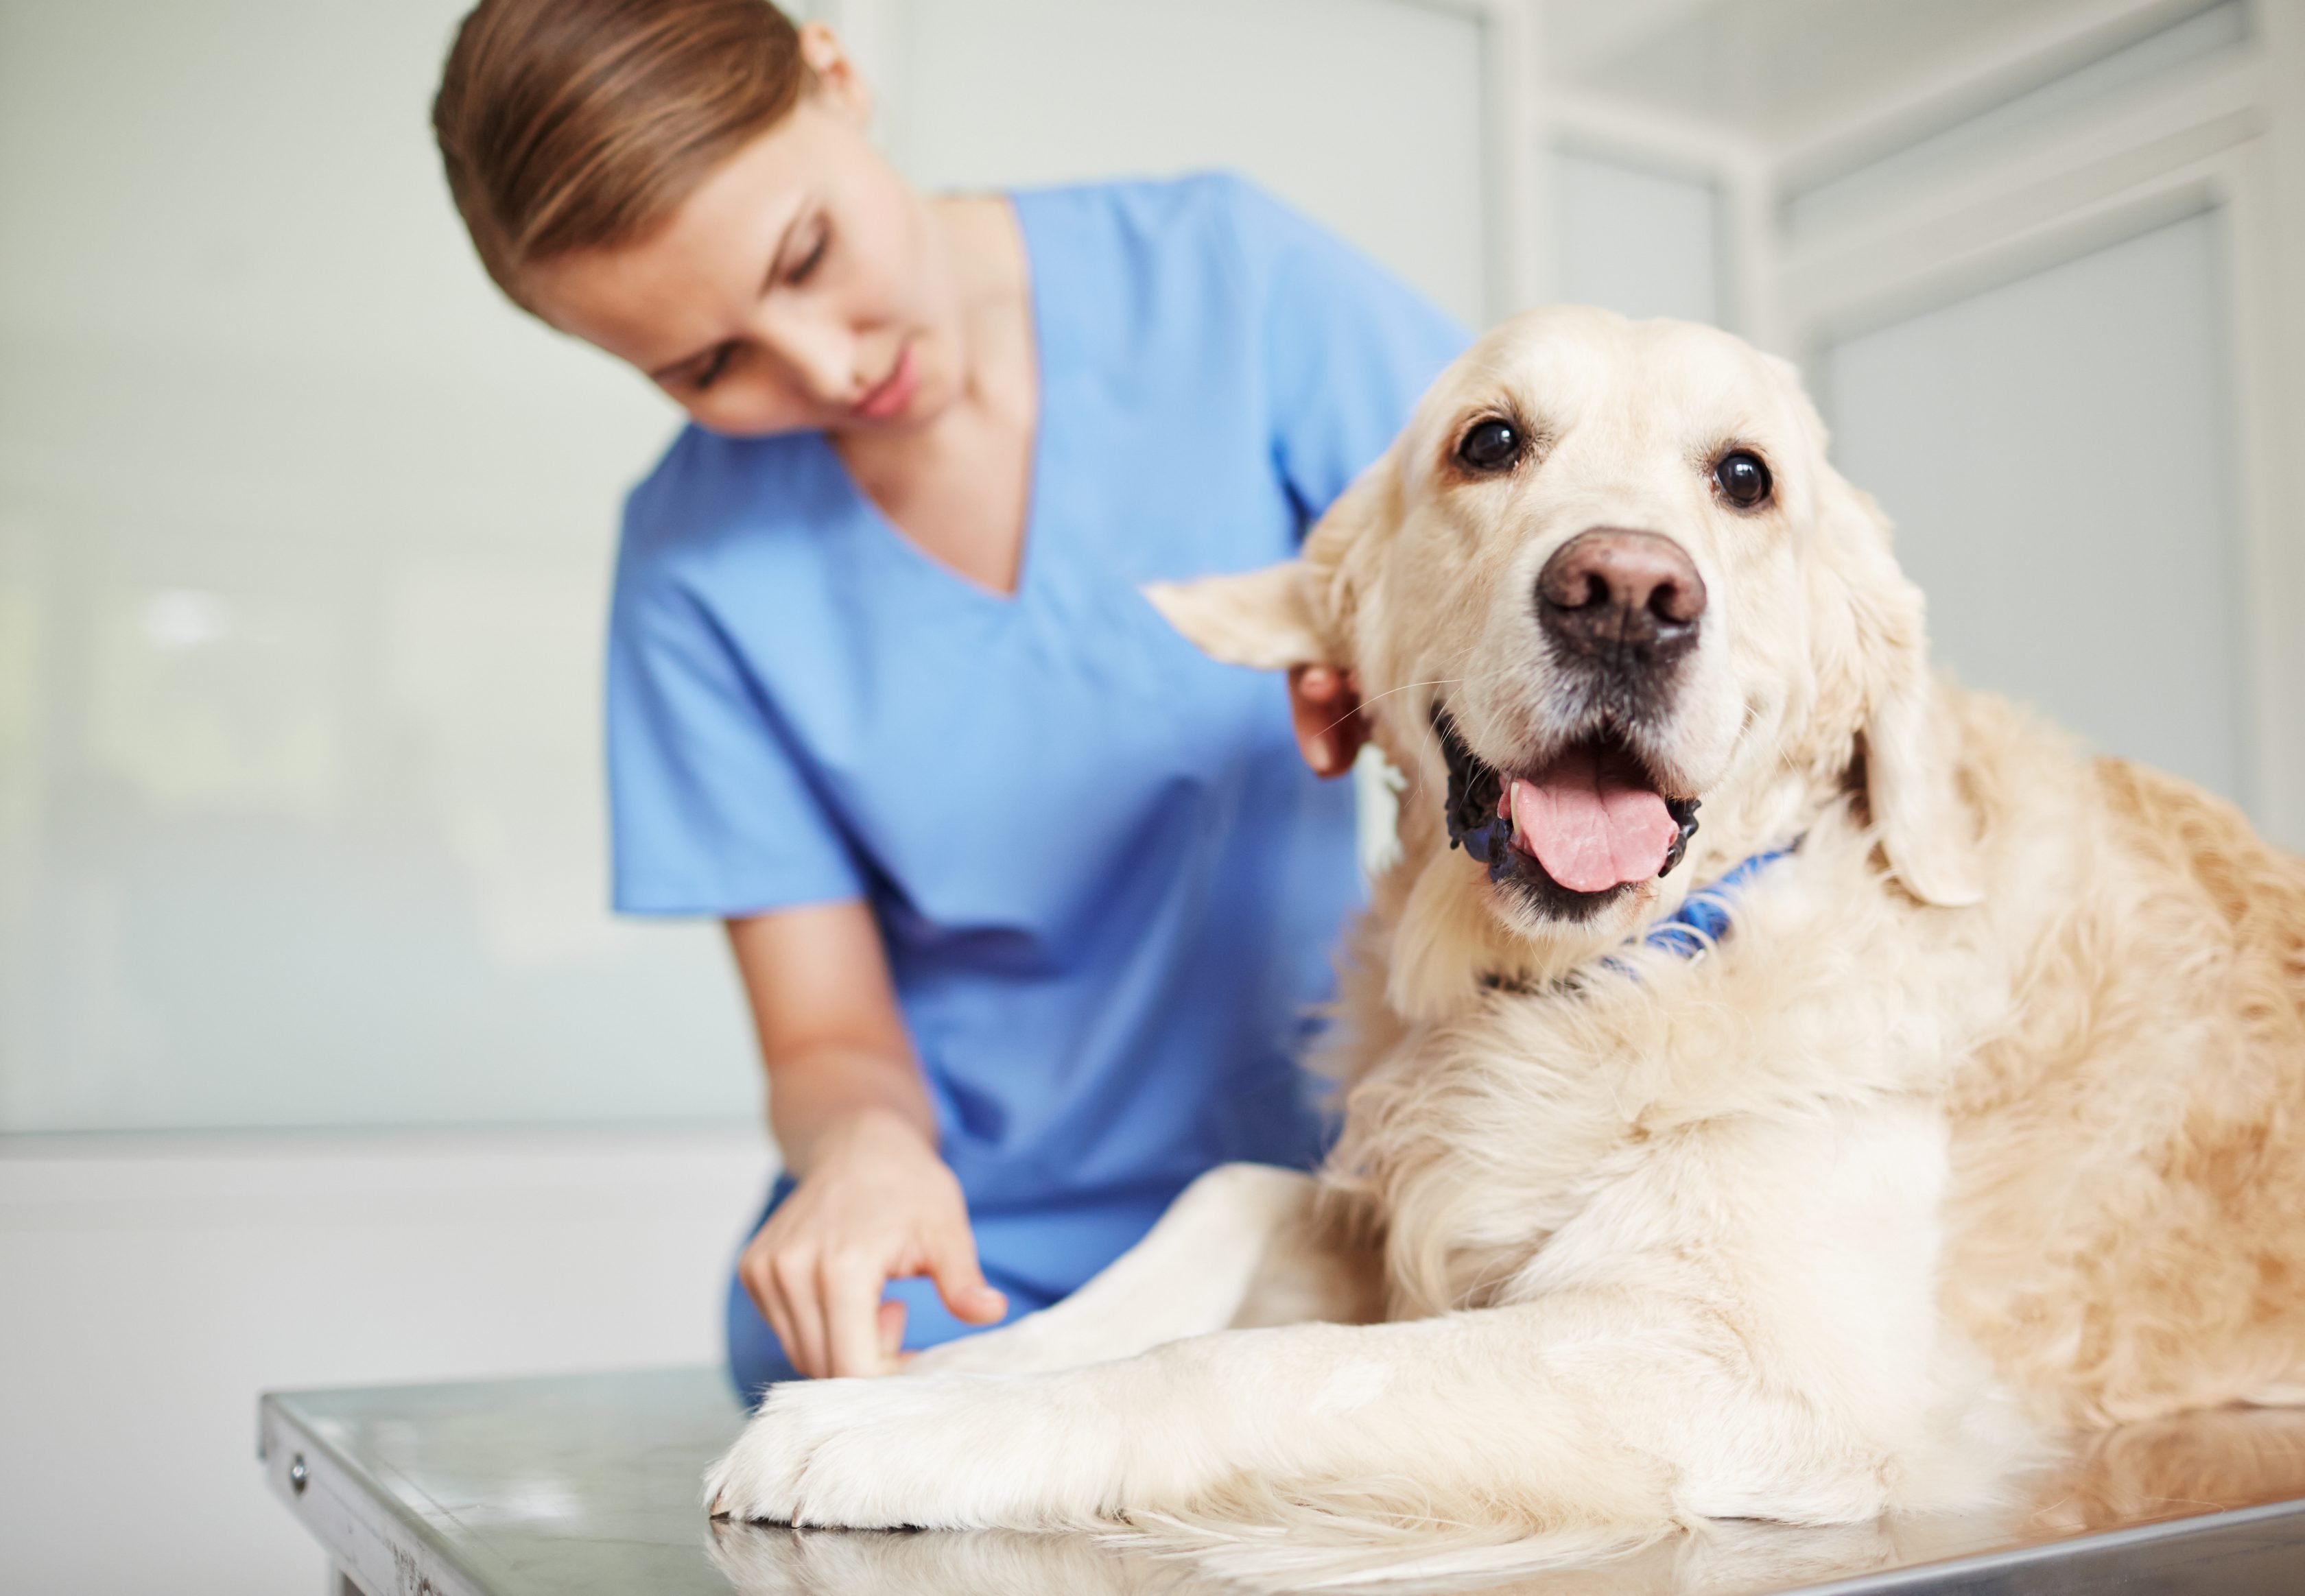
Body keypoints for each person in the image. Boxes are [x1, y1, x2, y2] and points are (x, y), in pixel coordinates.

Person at [432, 0, 1464, 1397]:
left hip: (1322, 1201)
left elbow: (1520, 562)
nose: (827, 366)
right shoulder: (692, 569)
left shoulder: (1231, 284)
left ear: (835, 74)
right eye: (706, 367)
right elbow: (826, 1034)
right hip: (964, 1269)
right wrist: (862, 1156)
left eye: (805, 253)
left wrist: (1407, 676)